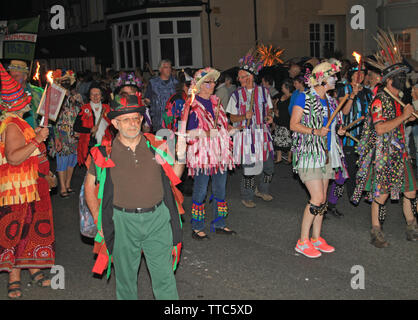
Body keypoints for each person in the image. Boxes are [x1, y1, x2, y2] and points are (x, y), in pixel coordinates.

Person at [84, 94, 183, 300]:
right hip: (122, 222)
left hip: (158, 219)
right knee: (126, 280)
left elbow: (174, 177)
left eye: (136, 118)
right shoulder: (102, 152)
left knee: (164, 278)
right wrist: (97, 219)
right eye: (126, 119)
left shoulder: (156, 144)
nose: (133, 123)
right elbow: (89, 186)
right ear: (114, 123)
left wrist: (181, 155)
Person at [351, 29, 418, 247]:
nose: (404, 81)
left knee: (411, 189)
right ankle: (376, 232)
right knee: (382, 194)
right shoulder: (380, 100)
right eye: (401, 78)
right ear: (391, 80)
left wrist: (410, 112)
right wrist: (404, 117)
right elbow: (380, 129)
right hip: (384, 154)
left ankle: (412, 225)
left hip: (400, 151)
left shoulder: (398, 99)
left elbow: (403, 122)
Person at [0, 63, 55, 299]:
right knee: (16, 231)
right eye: (22, 97)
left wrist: (46, 173)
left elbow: (33, 154)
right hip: (16, 190)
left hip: (29, 185)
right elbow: (13, 158)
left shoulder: (21, 123)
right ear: (13, 104)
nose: (26, 97)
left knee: (29, 228)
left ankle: (32, 268)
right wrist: (37, 140)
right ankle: (14, 279)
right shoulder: (12, 125)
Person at [290, 61, 347, 258]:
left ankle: (316, 238)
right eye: (332, 76)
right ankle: (302, 241)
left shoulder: (330, 100)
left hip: (327, 153)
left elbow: (329, 125)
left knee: (322, 200)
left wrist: (337, 130)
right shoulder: (303, 97)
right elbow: (294, 125)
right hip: (309, 154)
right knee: (317, 198)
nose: (336, 79)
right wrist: (315, 131)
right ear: (322, 78)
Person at [185, 67, 236, 240]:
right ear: (199, 86)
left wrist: (230, 129)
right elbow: (187, 133)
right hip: (202, 155)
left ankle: (219, 223)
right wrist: (207, 134)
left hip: (220, 153)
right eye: (208, 82)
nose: (212, 85)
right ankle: (197, 226)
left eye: (213, 81)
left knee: (220, 189)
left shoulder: (217, 103)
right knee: (200, 191)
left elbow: (222, 124)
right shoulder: (192, 105)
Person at [226, 52, 275, 209]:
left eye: (244, 76)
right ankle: (247, 196)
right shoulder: (236, 95)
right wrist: (243, 116)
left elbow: (270, 110)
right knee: (249, 169)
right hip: (247, 136)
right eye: (240, 77)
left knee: (269, 168)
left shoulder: (264, 92)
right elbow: (232, 118)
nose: (241, 80)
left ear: (252, 76)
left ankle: (262, 190)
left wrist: (269, 117)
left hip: (263, 134)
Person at [326, 62, 374, 218]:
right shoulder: (344, 89)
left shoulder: (367, 92)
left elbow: (371, 114)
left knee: (363, 170)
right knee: (344, 174)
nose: (360, 76)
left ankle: (356, 194)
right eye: (356, 73)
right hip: (346, 138)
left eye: (362, 73)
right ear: (351, 75)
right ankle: (331, 203)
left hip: (363, 138)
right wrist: (352, 95)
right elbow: (344, 111)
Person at [53, 70, 81, 198]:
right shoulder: (55, 97)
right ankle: (62, 187)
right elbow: (51, 120)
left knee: (72, 160)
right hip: (62, 133)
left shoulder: (76, 97)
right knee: (62, 160)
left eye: (67, 81)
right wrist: (56, 137)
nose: (66, 83)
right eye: (63, 81)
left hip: (75, 133)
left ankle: (68, 185)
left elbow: (82, 114)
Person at [73, 85, 112, 166]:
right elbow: (76, 127)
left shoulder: (107, 108)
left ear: (101, 96)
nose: (95, 96)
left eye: (97, 94)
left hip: (105, 143)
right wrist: (90, 130)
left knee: (104, 168)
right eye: (92, 94)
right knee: (91, 169)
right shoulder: (84, 109)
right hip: (90, 144)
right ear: (89, 97)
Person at [144, 59, 178, 133]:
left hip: (173, 120)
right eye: (166, 67)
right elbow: (147, 100)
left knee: (172, 142)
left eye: (170, 67)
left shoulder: (175, 82)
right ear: (160, 69)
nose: (169, 69)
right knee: (160, 142)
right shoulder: (153, 83)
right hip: (158, 120)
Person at [7, 60, 44, 129]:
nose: (13, 79)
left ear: (25, 77)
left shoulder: (38, 93)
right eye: (11, 76)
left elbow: (48, 117)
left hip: (36, 135)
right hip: (14, 136)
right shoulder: (4, 95)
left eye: (16, 76)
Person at [272, 79, 294, 164]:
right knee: (277, 139)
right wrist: (275, 108)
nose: (281, 87)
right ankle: (279, 158)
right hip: (279, 120)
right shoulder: (281, 96)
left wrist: (279, 113)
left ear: (287, 87)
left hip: (287, 120)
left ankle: (289, 158)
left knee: (288, 140)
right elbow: (276, 107)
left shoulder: (292, 97)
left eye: (283, 86)